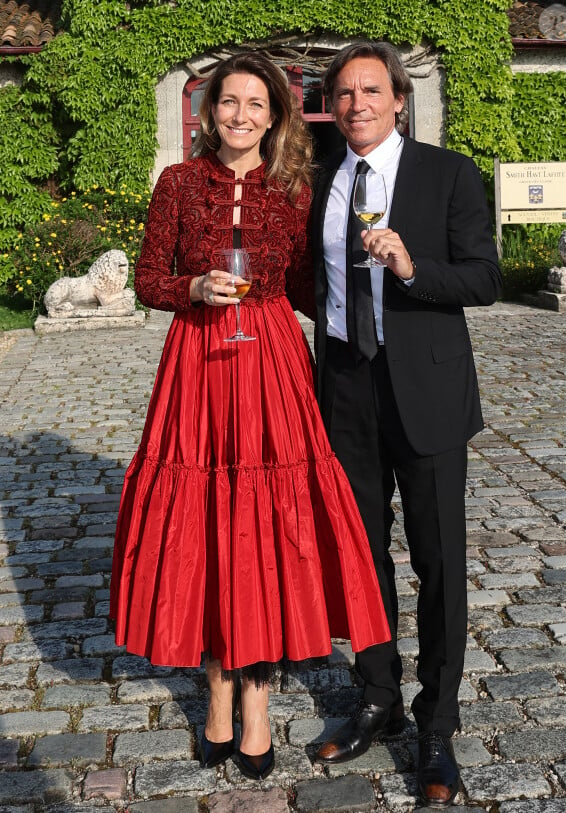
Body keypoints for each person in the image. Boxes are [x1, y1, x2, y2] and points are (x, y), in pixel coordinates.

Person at [109, 51, 391, 782]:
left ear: (277, 115)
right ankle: (217, 691)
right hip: (197, 362)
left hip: (269, 360)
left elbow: (307, 284)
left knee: (266, 522)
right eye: (229, 102)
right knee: (203, 519)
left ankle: (258, 699)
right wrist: (192, 285)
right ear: (211, 112)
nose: (241, 115)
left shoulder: (297, 189)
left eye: (256, 105)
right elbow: (147, 280)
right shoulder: (176, 183)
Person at [310, 42, 502, 808]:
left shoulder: (447, 173)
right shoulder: (323, 178)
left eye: (370, 90)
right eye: (343, 93)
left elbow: (484, 277)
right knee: (360, 553)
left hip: (424, 386)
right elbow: (307, 278)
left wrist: (413, 267)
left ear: (398, 99)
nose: (355, 104)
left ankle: (437, 723)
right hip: (346, 387)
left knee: (439, 559)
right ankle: (376, 693)